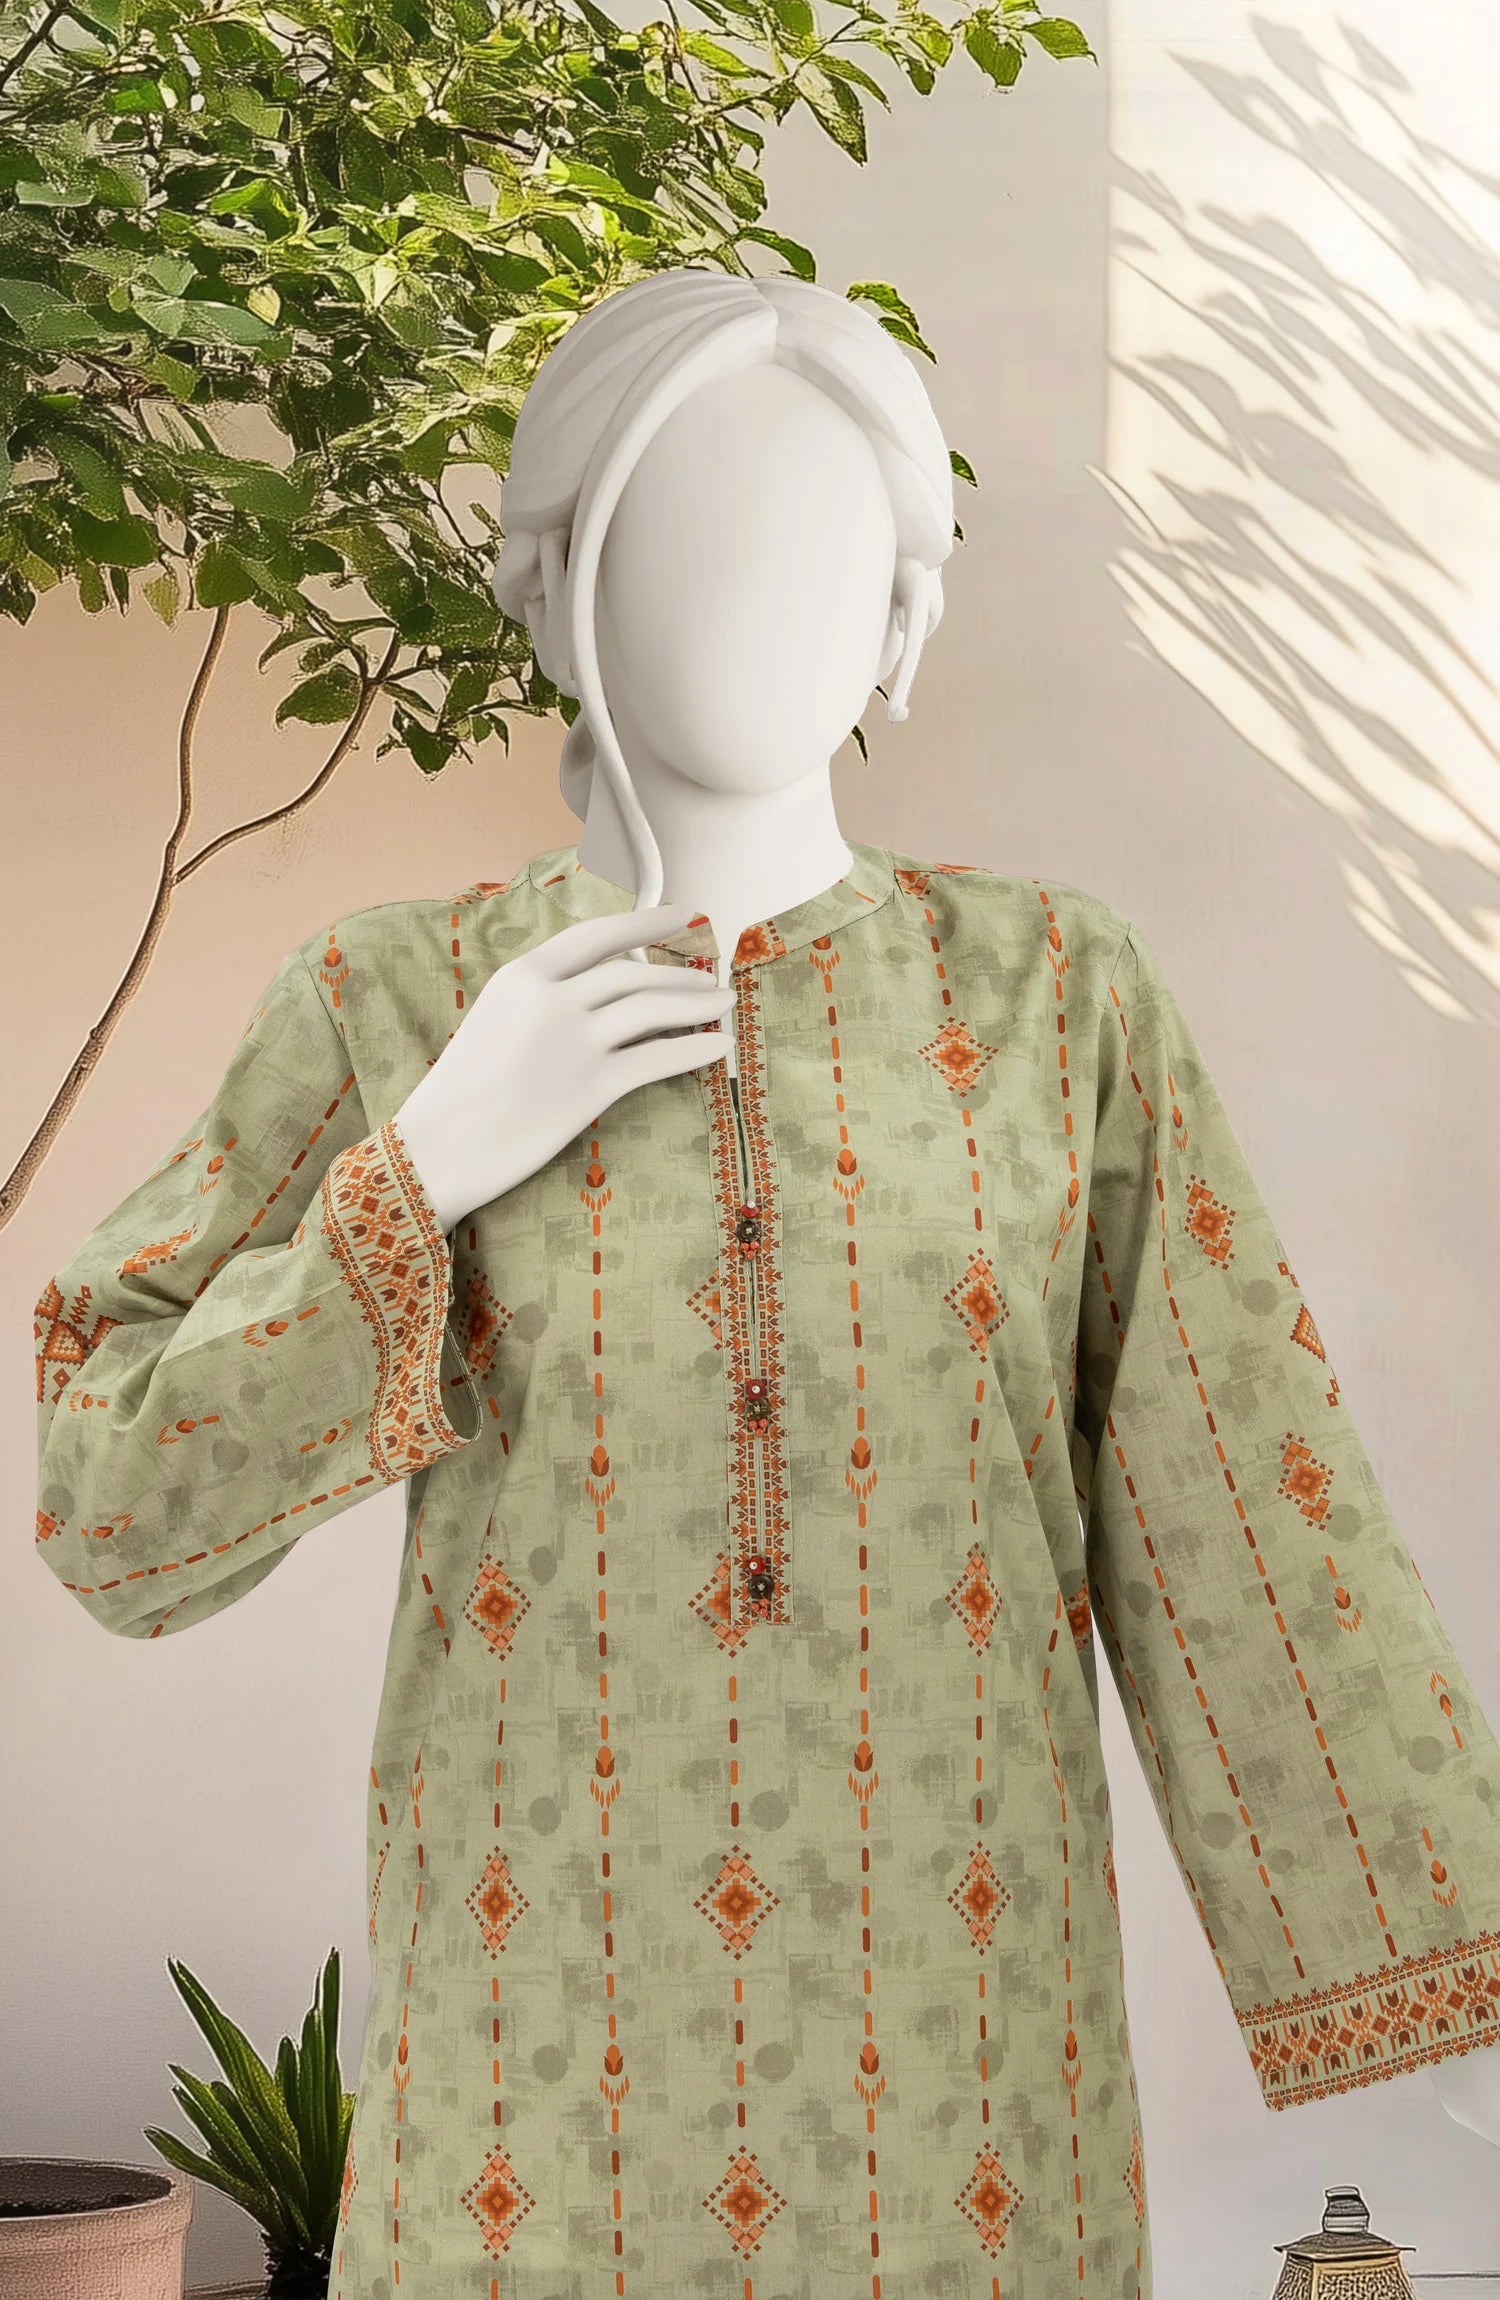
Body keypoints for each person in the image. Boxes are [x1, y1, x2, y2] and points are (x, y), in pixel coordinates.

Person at [33, 269, 1500, 2300]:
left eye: (817, 540)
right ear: (555, 595)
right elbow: (108, 1505)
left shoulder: (1054, 992)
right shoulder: (399, 999)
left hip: (970, 2065)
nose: (747, 597)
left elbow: (1243, 1491)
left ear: (905, 609)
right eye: (671, 533)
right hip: (530, 2079)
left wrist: (1431, 1982)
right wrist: (429, 1164)